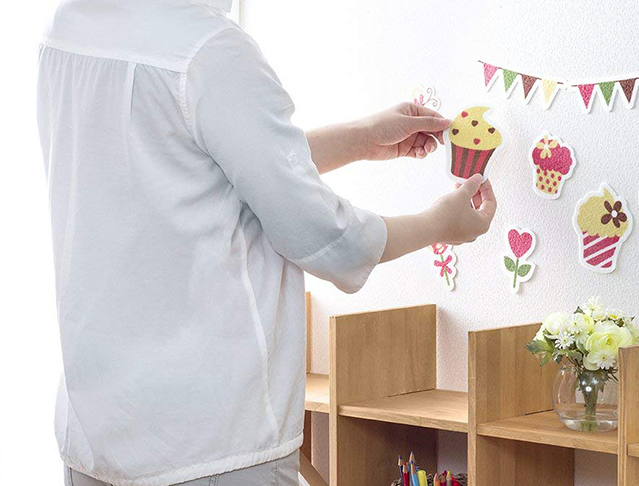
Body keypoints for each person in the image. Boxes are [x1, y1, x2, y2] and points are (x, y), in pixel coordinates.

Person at [36, 1, 496, 485]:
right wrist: (438, 223)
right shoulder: (209, 50)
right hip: (213, 442)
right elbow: (326, 237)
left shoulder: (70, 26)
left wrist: (363, 138)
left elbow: (199, 166)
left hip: (97, 434)